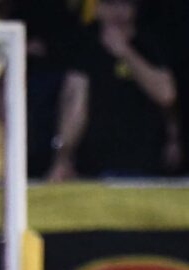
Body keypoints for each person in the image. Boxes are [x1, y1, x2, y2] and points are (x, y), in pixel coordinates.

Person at [48, 0, 178, 181]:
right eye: (110, 4)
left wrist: (125, 52)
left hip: (144, 160)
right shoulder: (86, 44)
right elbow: (74, 104)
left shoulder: (147, 42)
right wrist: (63, 156)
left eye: (124, 4)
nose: (117, 11)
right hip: (96, 162)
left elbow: (166, 95)